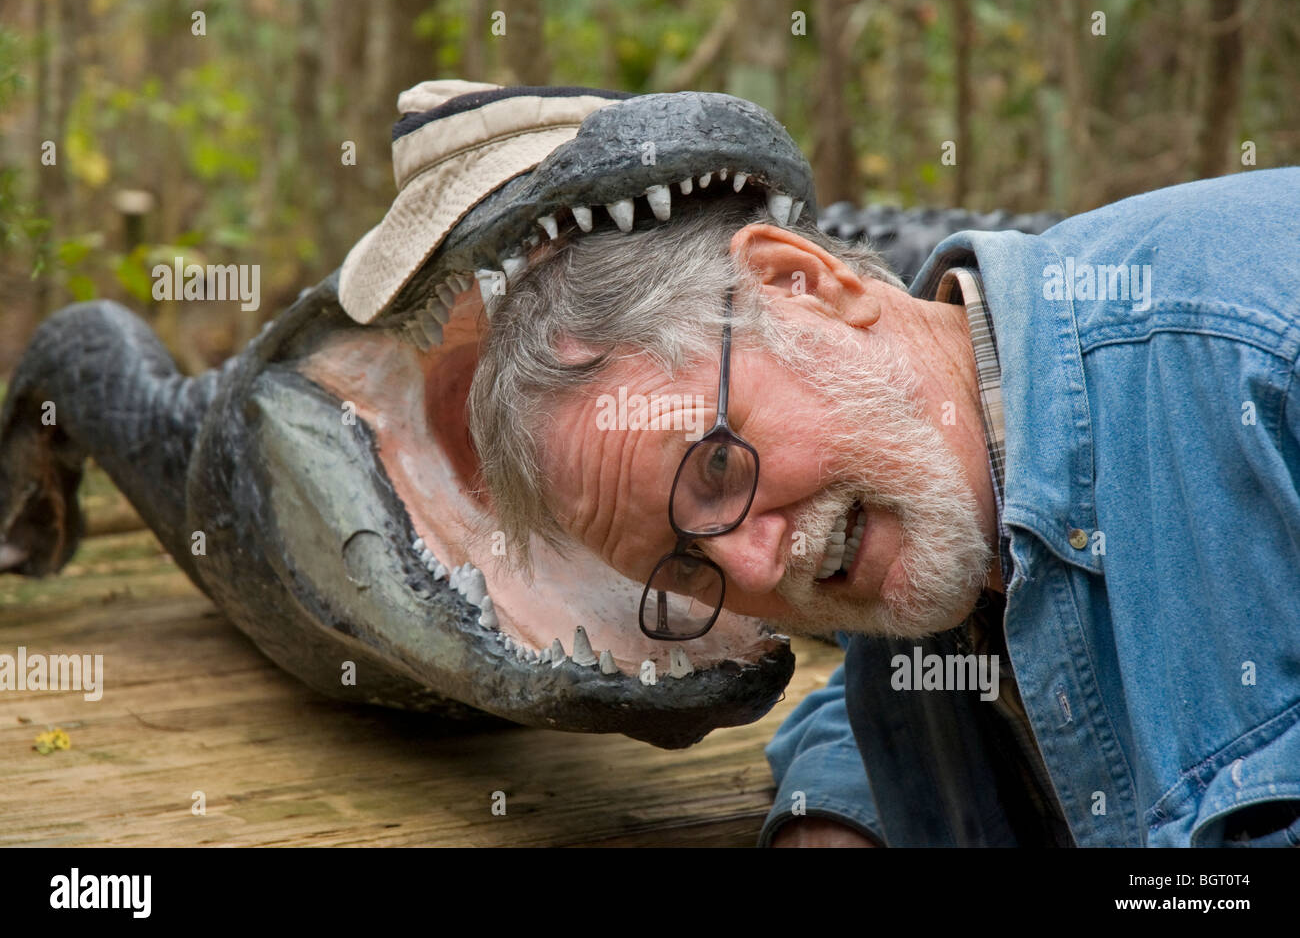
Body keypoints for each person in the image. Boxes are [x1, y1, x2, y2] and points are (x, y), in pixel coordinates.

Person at [465, 163, 1300, 848]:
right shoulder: (939, 537)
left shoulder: (1266, 364)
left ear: (804, 283)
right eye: (687, 565)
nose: (755, 565)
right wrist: (835, 817)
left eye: (717, 466)